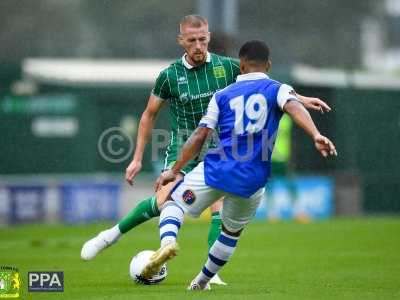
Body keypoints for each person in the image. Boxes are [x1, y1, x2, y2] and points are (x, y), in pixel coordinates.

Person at [80, 15, 331, 285]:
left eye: (202, 39)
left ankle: (211, 274)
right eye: (192, 41)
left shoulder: (227, 67)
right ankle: (111, 236)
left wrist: (302, 99)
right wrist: (137, 158)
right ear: (181, 41)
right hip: (184, 143)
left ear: (208, 38)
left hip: (220, 144)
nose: (198, 45)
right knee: (165, 199)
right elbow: (148, 115)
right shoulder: (169, 76)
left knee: (218, 205)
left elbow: (264, 83)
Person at [140, 40, 337, 290]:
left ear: (240, 65)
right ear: (269, 65)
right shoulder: (278, 88)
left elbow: (199, 136)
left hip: (216, 171)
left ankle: (167, 243)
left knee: (172, 202)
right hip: (253, 179)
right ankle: (201, 281)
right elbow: (294, 106)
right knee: (230, 233)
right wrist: (316, 134)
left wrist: (175, 169)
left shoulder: (222, 95)